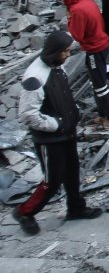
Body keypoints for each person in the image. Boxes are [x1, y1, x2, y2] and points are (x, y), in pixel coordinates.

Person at [13, 31, 102, 234]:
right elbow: (28, 115)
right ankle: (25, 212)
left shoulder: (56, 65)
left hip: (66, 132)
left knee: (72, 171)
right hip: (50, 139)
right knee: (52, 180)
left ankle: (76, 207)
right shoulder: (34, 78)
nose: (69, 55)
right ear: (55, 52)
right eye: (66, 52)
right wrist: (56, 125)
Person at [59, 0, 109, 130]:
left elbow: (77, 35)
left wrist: (69, 18)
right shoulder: (87, 1)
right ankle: (103, 114)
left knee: (99, 84)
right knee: (97, 81)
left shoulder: (77, 10)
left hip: (94, 49)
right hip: (102, 43)